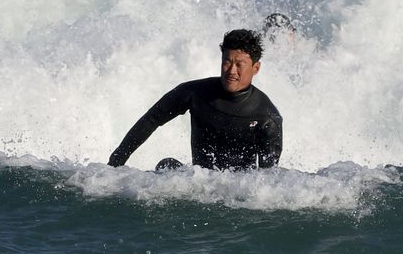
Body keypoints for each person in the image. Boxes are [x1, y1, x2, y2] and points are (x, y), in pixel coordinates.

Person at [108, 27, 282, 171]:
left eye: (239, 65)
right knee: (167, 166)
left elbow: (266, 180)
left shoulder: (266, 117)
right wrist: (115, 162)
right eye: (227, 62)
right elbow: (152, 119)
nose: (231, 71)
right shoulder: (194, 93)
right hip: (199, 185)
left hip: (235, 193)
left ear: (256, 68)